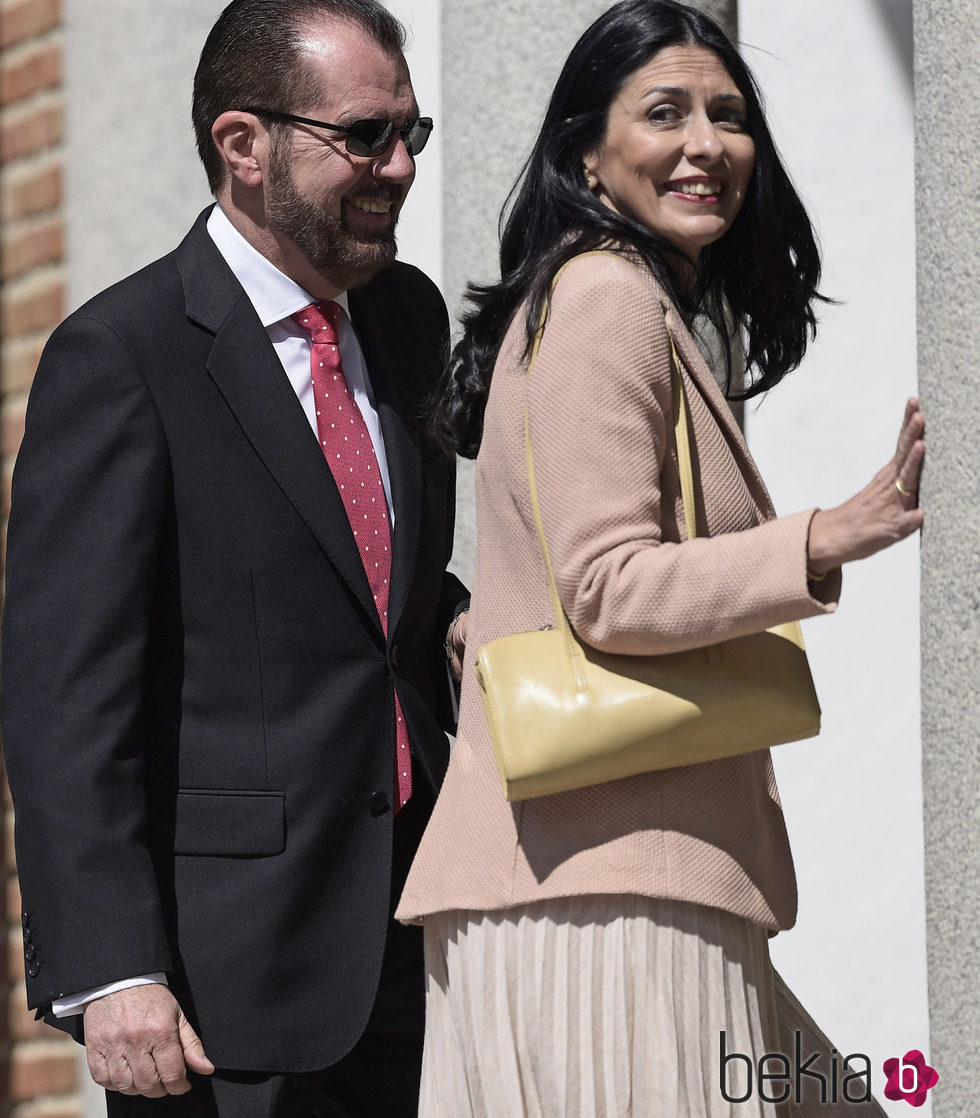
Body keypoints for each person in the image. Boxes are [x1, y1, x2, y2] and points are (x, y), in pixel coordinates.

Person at [395, 1, 923, 1114]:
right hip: (604, 885)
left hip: (613, 870)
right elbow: (605, 587)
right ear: (586, 150)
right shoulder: (603, 296)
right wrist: (820, 537)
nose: (704, 143)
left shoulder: (626, 301)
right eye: (665, 112)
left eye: (727, 116)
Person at [1, 0, 468, 1114]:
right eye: (364, 136)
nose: (398, 166)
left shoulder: (402, 320)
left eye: (411, 132)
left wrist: (456, 621)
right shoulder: (122, 356)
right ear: (242, 145)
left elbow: (363, 595)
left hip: (423, 932)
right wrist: (114, 969)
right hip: (227, 991)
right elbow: (68, 701)